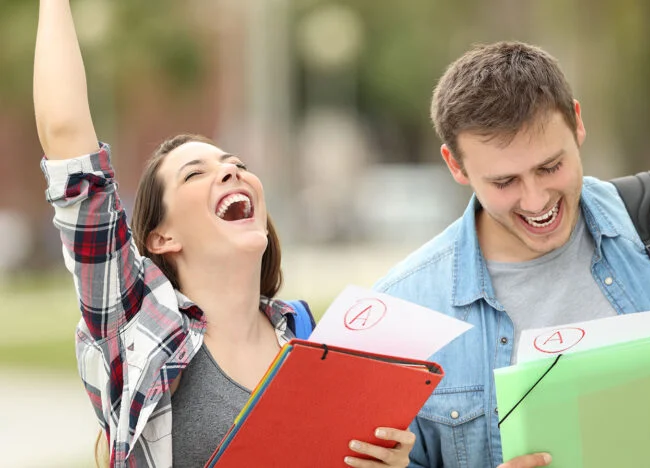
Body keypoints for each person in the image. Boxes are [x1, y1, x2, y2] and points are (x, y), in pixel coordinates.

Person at [34, 2, 415, 467]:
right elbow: (66, 138)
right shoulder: (133, 324)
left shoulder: (307, 341)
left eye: (237, 165)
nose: (231, 172)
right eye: (196, 174)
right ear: (161, 238)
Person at [373, 41, 650, 468]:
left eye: (550, 167)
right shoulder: (404, 309)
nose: (536, 199)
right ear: (456, 165)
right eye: (505, 182)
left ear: (577, 123)